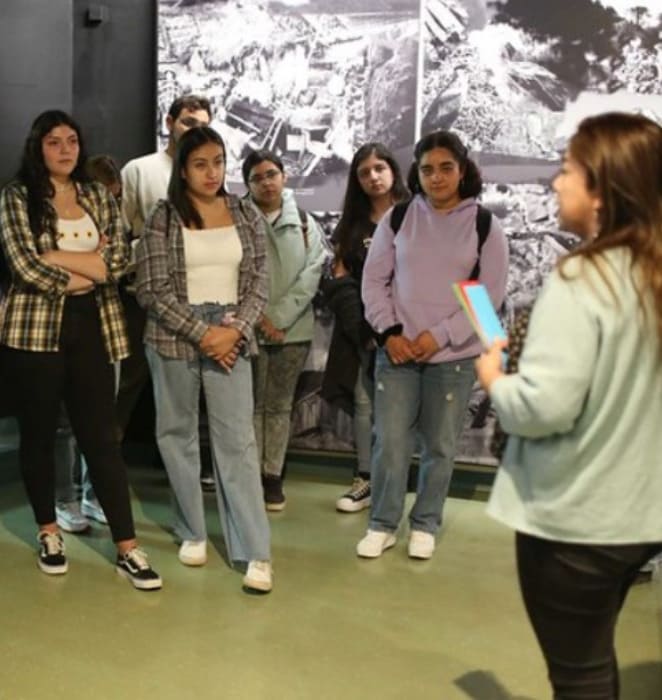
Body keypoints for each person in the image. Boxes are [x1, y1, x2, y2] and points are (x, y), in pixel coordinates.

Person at [476, 111, 662, 699]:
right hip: (643, 514)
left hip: (576, 520)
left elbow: (544, 408)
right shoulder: (651, 274)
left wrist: (495, 380)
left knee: (578, 674)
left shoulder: (585, 277)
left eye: (567, 171)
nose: (555, 184)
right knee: (595, 656)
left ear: (603, 189)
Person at [0, 110, 161, 590]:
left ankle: (128, 547)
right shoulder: (16, 197)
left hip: (93, 325)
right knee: (40, 435)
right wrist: (85, 266)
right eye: (54, 142)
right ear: (38, 147)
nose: (66, 149)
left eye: (72, 140)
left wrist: (60, 257)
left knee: (101, 439)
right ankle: (49, 531)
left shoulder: (95, 194)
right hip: (34, 331)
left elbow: (117, 262)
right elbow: (24, 267)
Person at [358, 130, 508, 559]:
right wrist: (391, 333)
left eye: (446, 168)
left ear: (463, 171)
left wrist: (436, 337)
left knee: (440, 445)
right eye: (427, 170)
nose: (436, 178)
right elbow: (374, 280)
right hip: (398, 352)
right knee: (389, 442)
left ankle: (425, 523)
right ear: (416, 174)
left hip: (453, 358)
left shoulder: (485, 226)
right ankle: (382, 523)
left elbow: (486, 301)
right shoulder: (399, 218)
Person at [135, 126, 273, 593]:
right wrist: (203, 332)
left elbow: (259, 281)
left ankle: (255, 550)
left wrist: (232, 330)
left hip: (231, 336)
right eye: (200, 164)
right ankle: (192, 529)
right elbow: (151, 289)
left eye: (218, 162)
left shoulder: (244, 211)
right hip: (175, 336)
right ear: (183, 169)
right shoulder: (163, 215)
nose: (211, 172)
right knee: (176, 435)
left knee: (236, 441)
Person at [120, 95, 216, 490]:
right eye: (187, 122)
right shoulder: (140, 171)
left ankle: (193, 472)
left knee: (195, 388)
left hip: (196, 299)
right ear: (170, 122)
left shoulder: (211, 176)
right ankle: (99, 479)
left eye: (201, 125)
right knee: (126, 387)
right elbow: (121, 230)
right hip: (143, 296)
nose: (193, 131)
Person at [321, 143, 409, 513]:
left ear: (393, 171)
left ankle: (396, 481)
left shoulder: (414, 216)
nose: (373, 176)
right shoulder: (351, 227)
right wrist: (366, 332)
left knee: (404, 409)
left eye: (379, 168)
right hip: (364, 332)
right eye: (364, 172)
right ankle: (365, 478)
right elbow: (341, 282)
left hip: (410, 331)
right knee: (363, 402)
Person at [241, 149, 326, 511]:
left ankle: (272, 476)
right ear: (247, 184)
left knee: (279, 405)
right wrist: (260, 317)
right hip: (249, 327)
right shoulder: (237, 219)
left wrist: (280, 317)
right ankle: (248, 476)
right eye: (257, 177)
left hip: (293, 331)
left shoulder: (305, 222)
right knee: (248, 406)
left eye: (271, 174)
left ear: (284, 176)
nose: (266, 182)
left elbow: (313, 273)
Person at [54, 154, 122, 533]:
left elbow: (115, 263)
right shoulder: (45, 212)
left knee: (102, 420)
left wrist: (94, 265)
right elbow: (41, 265)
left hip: (104, 328)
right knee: (63, 423)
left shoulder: (109, 218)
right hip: (58, 327)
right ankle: (64, 496)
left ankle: (92, 495)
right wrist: (91, 264)